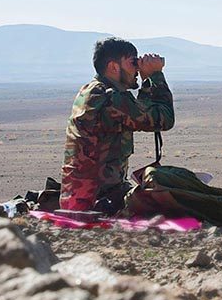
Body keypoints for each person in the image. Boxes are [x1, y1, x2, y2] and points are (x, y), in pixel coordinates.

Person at [60, 37, 174, 212]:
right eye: (132, 62)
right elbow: (163, 119)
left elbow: (139, 112)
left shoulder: (92, 91)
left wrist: (146, 82)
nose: (137, 68)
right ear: (113, 67)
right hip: (98, 202)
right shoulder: (108, 98)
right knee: (179, 194)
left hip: (87, 197)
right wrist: (155, 76)